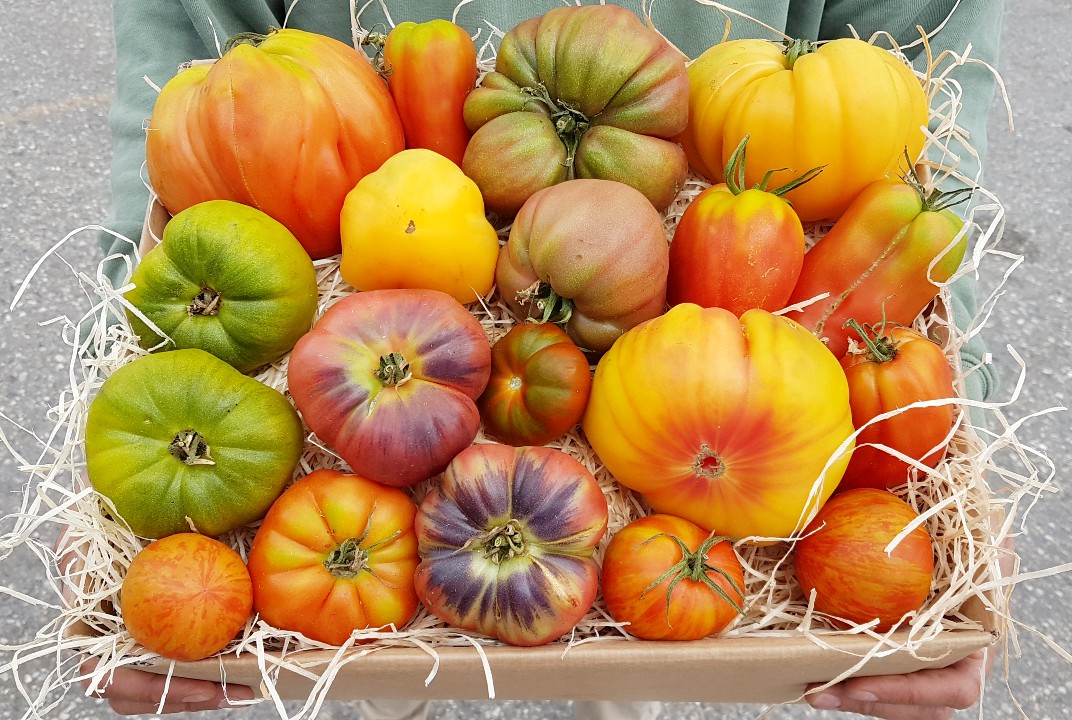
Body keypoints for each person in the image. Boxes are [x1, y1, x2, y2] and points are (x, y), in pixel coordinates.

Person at [84, 1, 1006, 718]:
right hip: (381, 230)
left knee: (651, 667)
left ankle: (634, 690)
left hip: (670, 216)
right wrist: (109, 355)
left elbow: (927, 124)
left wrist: (972, 457)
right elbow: (178, 73)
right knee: (379, 676)